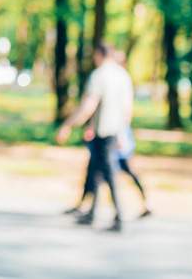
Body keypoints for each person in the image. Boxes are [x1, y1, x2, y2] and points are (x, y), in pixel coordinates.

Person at [55, 42, 135, 232]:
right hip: (114, 131)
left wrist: (67, 125)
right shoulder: (123, 75)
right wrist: (123, 130)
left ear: (99, 54)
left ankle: (119, 217)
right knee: (97, 170)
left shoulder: (99, 75)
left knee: (107, 173)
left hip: (103, 133)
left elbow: (88, 106)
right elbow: (127, 109)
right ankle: (92, 212)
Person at [62, 125, 152, 220]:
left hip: (114, 136)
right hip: (112, 135)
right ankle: (87, 207)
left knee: (105, 173)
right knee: (96, 173)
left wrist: (120, 135)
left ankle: (136, 207)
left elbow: (124, 117)